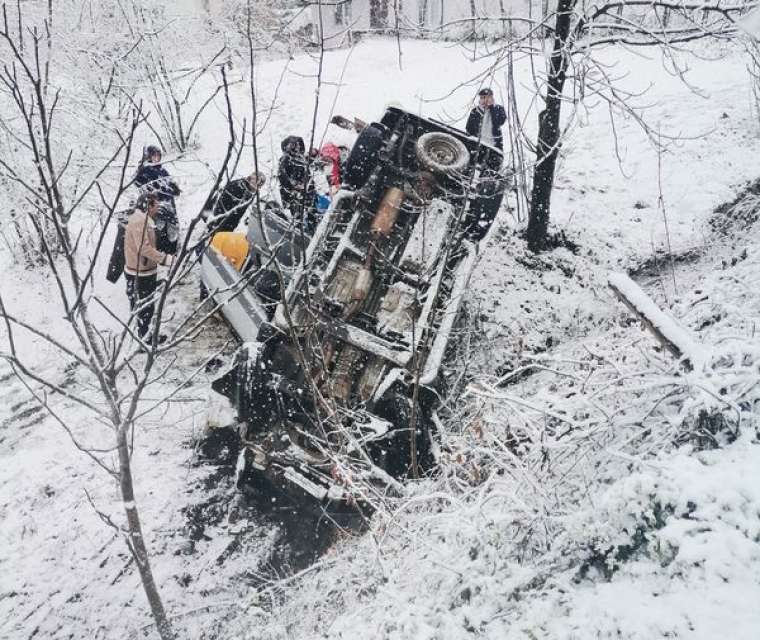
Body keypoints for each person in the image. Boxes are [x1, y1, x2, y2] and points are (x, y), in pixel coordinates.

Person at [124, 194, 173, 341]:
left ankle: (143, 335)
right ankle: (145, 339)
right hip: (141, 272)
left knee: (142, 306)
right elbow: (144, 248)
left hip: (139, 269)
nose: (158, 208)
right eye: (156, 205)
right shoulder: (140, 221)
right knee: (146, 307)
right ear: (148, 206)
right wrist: (165, 259)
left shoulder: (141, 219)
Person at [135, 145, 181, 254]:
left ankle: (172, 250)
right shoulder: (145, 170)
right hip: (156, 204)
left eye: (158, 155)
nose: (156, 158)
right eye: (154, 155)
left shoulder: (162, 170)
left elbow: (169, 181)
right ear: (148, 156)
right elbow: (138, 183)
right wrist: (140, 170)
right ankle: (161, 251)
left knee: (172, 225)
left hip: (168, 202)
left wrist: (174, 187)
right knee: (160, 228)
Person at [204, 171, 265, 236]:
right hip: (219, 221)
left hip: (225, 223)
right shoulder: (239, 187)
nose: (258, 188)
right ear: (252, 180)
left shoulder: (247, 191)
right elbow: (224, 207)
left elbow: (238, 214)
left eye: (260, 186)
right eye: (258, 185)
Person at [278, 136, 316, 226]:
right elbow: (282, 176)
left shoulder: (301, 159)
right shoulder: (286, 159)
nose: (298, 146)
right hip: (293, 194)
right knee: (297, 215)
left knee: (310, 214)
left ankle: (310, 227)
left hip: (306, 193)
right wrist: (294, 186)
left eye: (299, 144)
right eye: (295, 144)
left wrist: (310, 187)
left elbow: (308, 176)